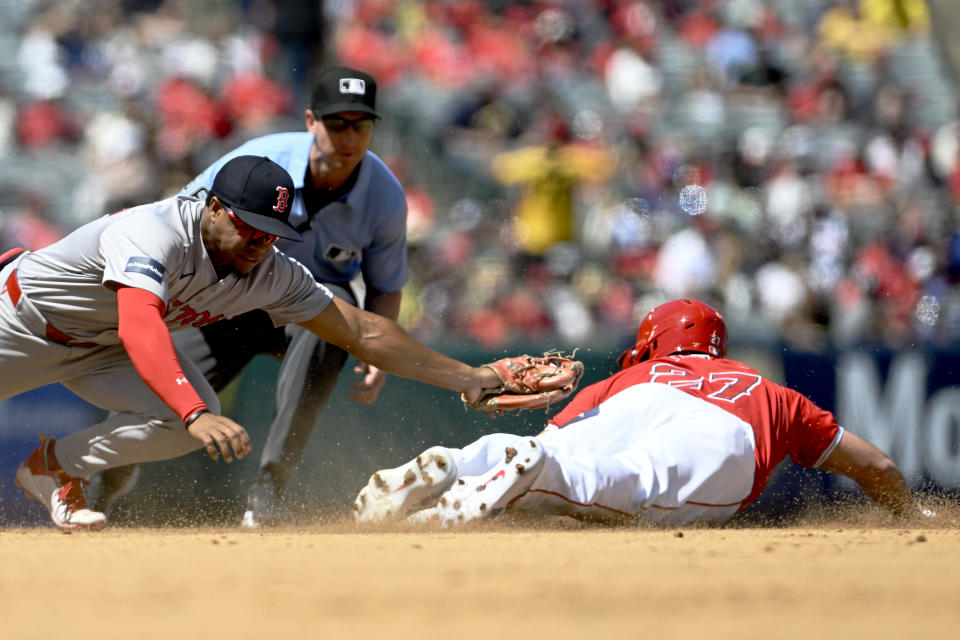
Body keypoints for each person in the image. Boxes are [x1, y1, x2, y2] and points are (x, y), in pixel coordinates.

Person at [1, 154, 503, 531]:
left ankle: (53, 465)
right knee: (196, 412)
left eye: (271, 234)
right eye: (250, 228)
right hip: (20, 322)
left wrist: (473, 377)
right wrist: (197, 413)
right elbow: (140, 326)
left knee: (185, 421)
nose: (260, 243)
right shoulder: (153, 231)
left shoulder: (272, 272)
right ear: (215, 208)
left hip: (100, 348)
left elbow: (363, 332)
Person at [91, 66, 409, 528]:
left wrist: (380, 354)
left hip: (305, 313)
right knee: (153, 393)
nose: (349, 135)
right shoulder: (257, 161)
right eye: (336, 122)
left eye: (360, 124)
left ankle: (269, 488)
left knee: (336, 299)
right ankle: (104, 486)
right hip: (223, 302)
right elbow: (177, 222)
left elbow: (385, 287)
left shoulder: (384, 195)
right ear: (310, 121)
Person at [354, 298, 928, 527]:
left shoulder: (626, 374)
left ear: (654, 342)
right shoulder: (767, 388)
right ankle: (525, 475)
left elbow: (556, 433)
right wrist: (907, 513)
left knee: (556, 457)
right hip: (727, 431)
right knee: (627, 481)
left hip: (627, 405)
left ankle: (458, 462)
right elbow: (874, 466)